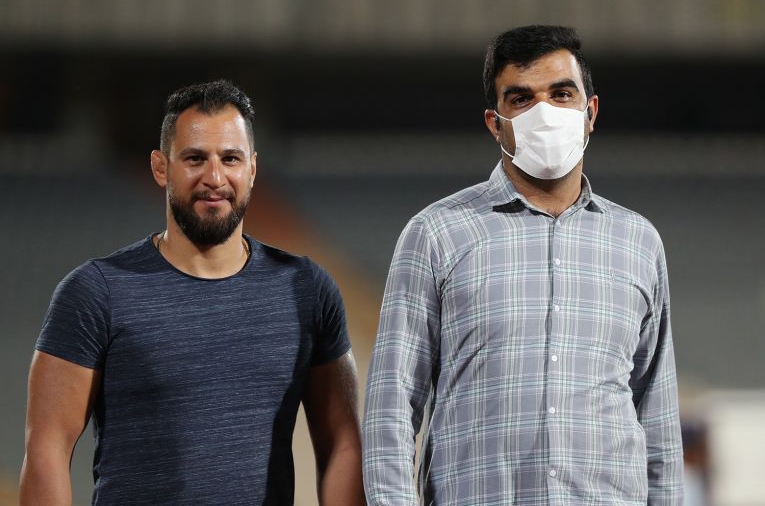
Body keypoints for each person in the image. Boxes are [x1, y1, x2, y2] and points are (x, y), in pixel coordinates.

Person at [363, 25, 683, 505]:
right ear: (495, 124)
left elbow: (657, 420)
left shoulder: (638, 242)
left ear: (590, 113)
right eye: (521, 99)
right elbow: (390, 408)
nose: (544, 113)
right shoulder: (436, 235)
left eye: (561, 94)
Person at [20, 80, 365, 505]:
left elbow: (343, 444)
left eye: (230, 158)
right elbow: (48, 448)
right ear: (161, 167)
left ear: (252, 168)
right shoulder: (95, 292)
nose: (214, 178)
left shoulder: (306, 289)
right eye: (195, 158)